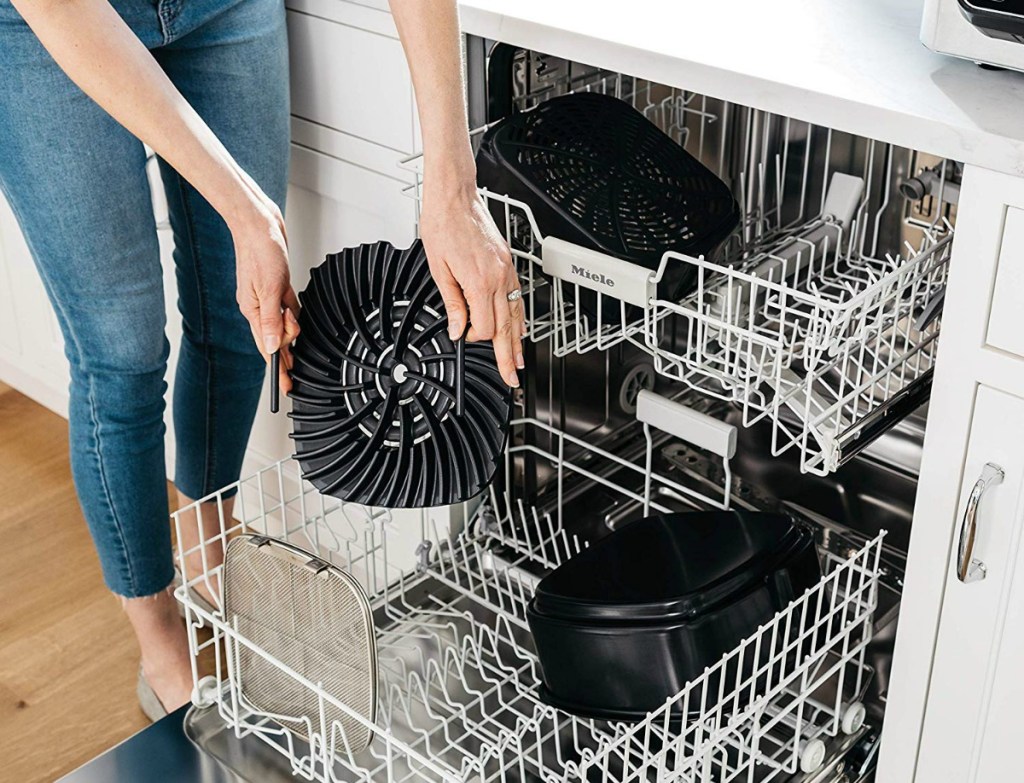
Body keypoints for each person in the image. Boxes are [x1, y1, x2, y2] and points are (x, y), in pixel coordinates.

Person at [0, 0, 525, 717]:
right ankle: (161, 641)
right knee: (119, 352)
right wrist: (246, 210)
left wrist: (452, 182)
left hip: (223, 8)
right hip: (47, 27)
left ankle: (208, 546)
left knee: (237, 318)